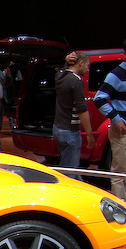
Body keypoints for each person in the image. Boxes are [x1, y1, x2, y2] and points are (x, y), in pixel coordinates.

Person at [93, 36, 126, 207]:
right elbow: (99, 99)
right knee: (120, 171)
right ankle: (121, 208)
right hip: (122, 131)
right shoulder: (116, 74)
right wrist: (116, 119)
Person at [53, 51, 94, 180]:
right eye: (87, 66)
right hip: (70, 132)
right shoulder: (77, 81)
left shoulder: (59, 76)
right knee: (69, 173)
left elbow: (63, 70)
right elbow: (82, 109)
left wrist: (66, 61)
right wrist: (89, 134)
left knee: (68, 168)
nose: (87, 70)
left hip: (58, 129)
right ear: (80, 63)